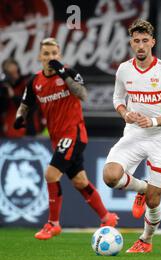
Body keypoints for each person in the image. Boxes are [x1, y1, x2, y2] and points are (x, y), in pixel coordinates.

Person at [14, 37, 118, 240]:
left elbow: (82, 94)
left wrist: (63, 71)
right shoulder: (35, 81)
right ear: (40, 57)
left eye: (54, 53)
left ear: (59, 55)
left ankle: (53, 224)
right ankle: (107, 217)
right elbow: (26, 103)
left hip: (74, 133)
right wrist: (20, 117)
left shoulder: (69, 73)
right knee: (80, 181)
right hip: (57, 138)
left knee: (51, 174)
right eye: (46, 54)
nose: (50, 57)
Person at [103, 19, 161, 253]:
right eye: (136, 41)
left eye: (145, 41)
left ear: (153, 42)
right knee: (110, 176)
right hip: (135, 133)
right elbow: (117, 99)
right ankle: (142, 187)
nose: (140, 45)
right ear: (131, 43)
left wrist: (154, 121)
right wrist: (125, 113)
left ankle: (145, 240)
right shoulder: (124, 69)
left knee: (154, 200)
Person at [0, 58, 43, 137]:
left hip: (29, 129)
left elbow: (30, 106)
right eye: (11, 73)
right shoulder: (3, 86)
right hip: (7, 131)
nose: (15, 75)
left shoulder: (26, 83)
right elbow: (3, 108)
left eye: (17, 71)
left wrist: (13, 97)